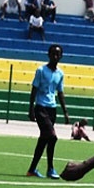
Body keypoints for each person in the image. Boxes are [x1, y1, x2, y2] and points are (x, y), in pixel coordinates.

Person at [27, 44, 69, 179]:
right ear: (48, 55)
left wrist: (65, 112)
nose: (55, 56)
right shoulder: (41, 70)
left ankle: (32, 169)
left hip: (52, 109)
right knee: (52, 137)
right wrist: (31, 109)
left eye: (58, 54)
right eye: (53, 54)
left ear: (61, 56)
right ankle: (50, 168)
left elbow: (60, 92)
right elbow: (34, 89)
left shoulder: (60, 73)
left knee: (44, 140)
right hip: (41, 107)